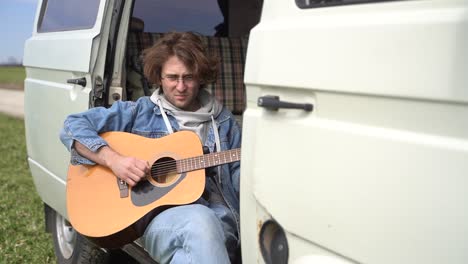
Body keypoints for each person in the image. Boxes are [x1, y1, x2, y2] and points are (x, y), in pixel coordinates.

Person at [60, 32, 241, 264]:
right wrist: (114, 160)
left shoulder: (224, 123)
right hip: (159, 220)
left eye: (189, 77)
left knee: (200, 239)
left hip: (219, 218)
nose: (181, 86)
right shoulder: (141, 112)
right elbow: (72, 126)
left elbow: (239, 179)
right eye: (172, 77)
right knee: (200, 221)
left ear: (201, 77)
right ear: (159, 78)